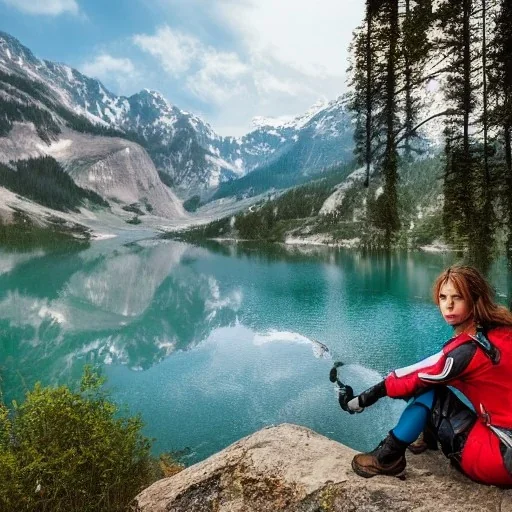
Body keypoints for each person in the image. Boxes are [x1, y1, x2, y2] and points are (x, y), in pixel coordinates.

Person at [336, 265, 512, 486]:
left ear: (475, 300)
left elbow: (412, 379)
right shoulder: (503, 330)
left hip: (496, 459)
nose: (448, 305)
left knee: (429, 390)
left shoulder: (467, 351)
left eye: (457, 297)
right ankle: (428, 439)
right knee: (434, 385)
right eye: (443, 297)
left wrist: (359, 402)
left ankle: (388, 458)